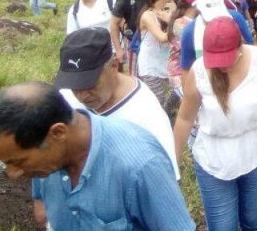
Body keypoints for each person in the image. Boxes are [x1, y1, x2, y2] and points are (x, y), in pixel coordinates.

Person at [0, 82, 193, 231]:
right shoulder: (43, 161)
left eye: (17, 162)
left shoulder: (140, 165)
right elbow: (43, 212)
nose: (13, 173)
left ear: (58, 133)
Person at [33, 27, 182, 226]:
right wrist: (40, 199)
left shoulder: (146, 117)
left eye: (90, 84)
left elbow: (165, 196)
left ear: (113, 65)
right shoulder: (64, 101)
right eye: (75, 85)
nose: (82, 95)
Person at [174, 19, 257, 231]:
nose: (222, 65)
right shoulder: (200, 71)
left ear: (239, 46)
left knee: (255, 221)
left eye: (226, 58)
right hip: (214, 160)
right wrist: (172, 162)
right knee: (223, 226)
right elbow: (185, 118)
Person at [139, 0, 178, 114]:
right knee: (156, 102)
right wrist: (172, 23)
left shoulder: (169, 9)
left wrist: (172, 18)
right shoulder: (147, 15)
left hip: (166, 62)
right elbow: (162, 37)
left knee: (179, 91)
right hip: (150, 65)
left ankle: (166, 115)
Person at [110, 0, 158, 73]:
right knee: (136, 74)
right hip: (135, 40)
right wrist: (118, 49)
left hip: (156, 39)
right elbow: (114, 23)